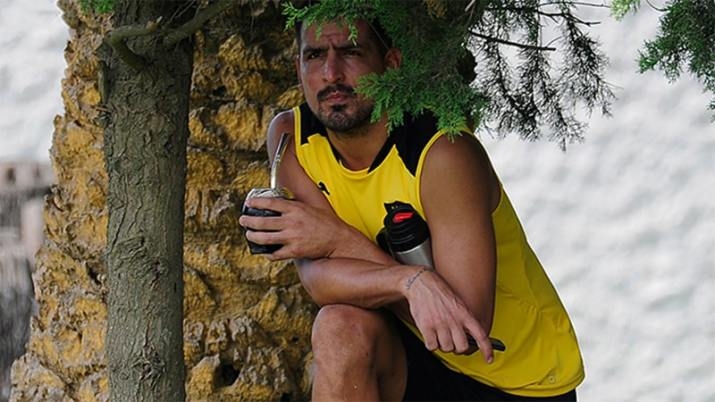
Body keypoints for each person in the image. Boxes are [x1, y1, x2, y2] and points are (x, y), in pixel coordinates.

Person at [239, 16, 584, 402]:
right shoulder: (290, 140)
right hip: (408, 356)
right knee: (338, 328)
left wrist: (336, 240)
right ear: (298, 68)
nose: (331, 73)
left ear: (391, 63)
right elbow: (318, 279)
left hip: (518, 378)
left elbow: (463, 329)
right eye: (315, 55)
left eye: (351, 52)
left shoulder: (443, 153)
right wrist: (410, 282)